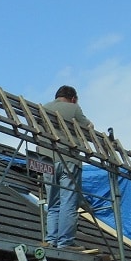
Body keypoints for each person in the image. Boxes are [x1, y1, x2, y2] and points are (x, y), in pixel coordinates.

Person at [41, 85, 93, 250]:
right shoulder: (73, 108)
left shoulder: (43, 108)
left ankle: (50, 240)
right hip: (68, 159)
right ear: (73, 98)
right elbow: (88, 128)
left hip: (45, 159)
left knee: (53, 202)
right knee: (68, 202)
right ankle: (65, 242)